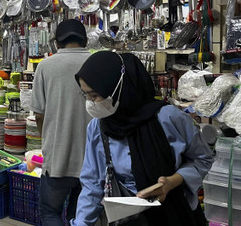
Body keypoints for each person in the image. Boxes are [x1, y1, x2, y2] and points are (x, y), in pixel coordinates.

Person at [72, 51, 213, 226]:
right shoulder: (98, 128)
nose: (90, 102)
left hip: (175, 215)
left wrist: (172, 181)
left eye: (94, 95)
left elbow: (203, 159)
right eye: (85, 95)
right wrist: (81, 223)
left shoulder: (167, 118)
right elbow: (92, 183)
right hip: (129, 220)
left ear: (117, 88)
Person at [30, 19, 92, 225]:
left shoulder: (45, 66)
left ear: (57, 42)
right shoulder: (97, 62)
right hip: (93, 161)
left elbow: (39, 115)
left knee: (50, 213)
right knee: (79, 216)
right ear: (85, 40)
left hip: (57, 158)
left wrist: (47, 139)